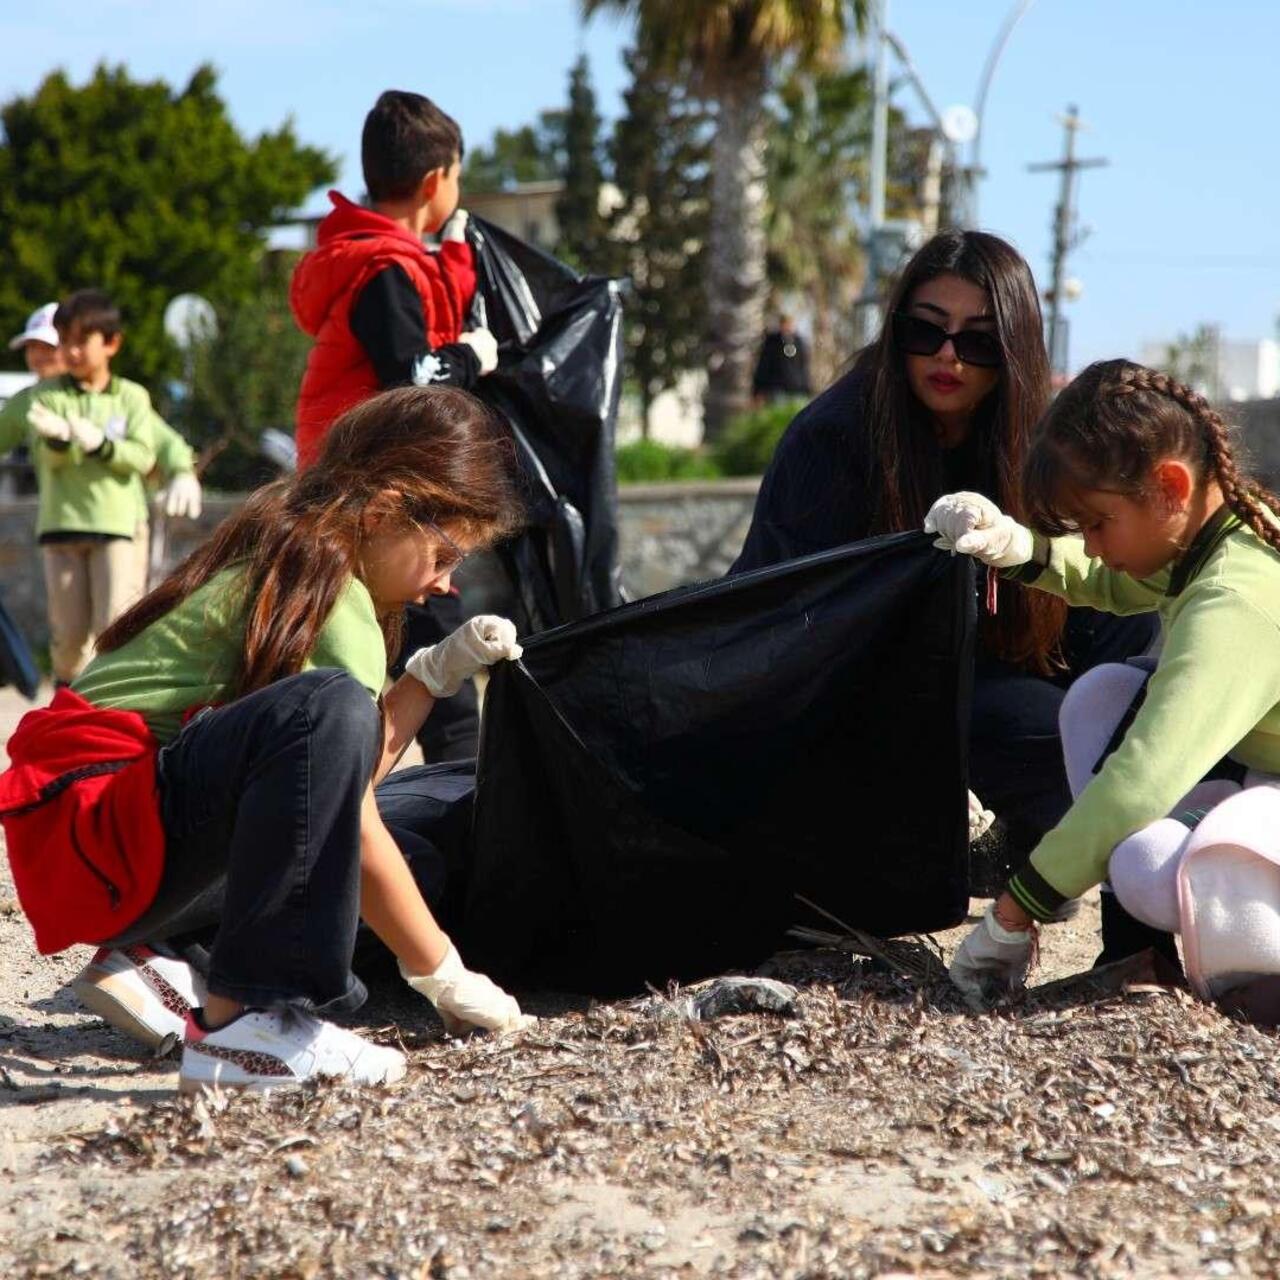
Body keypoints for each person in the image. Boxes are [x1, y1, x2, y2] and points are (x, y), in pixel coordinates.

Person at [0, 385, 534, 1090]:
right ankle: (249, 1019)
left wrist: (429, 679)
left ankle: (167, 957)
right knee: (341, 735)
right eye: (443, 555)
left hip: (92, 837)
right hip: (99, 828)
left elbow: (331, 787)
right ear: (386, 508)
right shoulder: (330, 585)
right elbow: (342, 786)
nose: (443, 584)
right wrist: (443, 972)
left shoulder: (295, 553)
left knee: (413, 858)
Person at [732, 230, 1156, 893]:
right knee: (1049, 736)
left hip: (984, 680)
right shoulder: (833, 439)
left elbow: (1096, 580)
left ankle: (1033, 848)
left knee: (1115, 683)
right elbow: (799, 632)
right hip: (857, 695)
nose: (948, 356)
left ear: (1013, 351)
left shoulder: (1037, 441)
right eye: (925, 331)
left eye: (979, 340)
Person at [937, 361, 1280, 1007]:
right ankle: (1136, 958)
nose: (1091, 546)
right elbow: (1112, 582)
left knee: (1152, 864)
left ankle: (1252, 987)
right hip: (1262, 773)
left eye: (1097, 522)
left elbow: (1140, 784)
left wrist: (1017, 909)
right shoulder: (1211, 538)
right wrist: (1012, 545)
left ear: (1170, 487)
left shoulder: (1237, 597)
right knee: (1102, 696)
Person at [291, 87, 501, 762]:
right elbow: (414, 379)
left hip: (358, 500)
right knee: (444, 686)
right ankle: (463, 811)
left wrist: (459, 260)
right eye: (458, 179)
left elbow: (421, 326)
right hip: (371, 509)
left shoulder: (377, 260)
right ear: (438, 179)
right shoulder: (383, 271)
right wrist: (473, 356)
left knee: (388, 670)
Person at [0, 289, 164, 683]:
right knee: (69, 638)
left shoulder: (131, 397)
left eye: (80, 342)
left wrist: (100, 444)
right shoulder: (43, 396)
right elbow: (34, 450)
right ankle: (67, 714)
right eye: (65, 342)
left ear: (111, 343)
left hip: (117, 528)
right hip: (61, 528)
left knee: (115, 627)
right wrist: (60, 441)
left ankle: (114, 717)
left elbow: (143, 456)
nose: (71, 352)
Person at [752, 313, 811, 403]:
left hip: (797, 389)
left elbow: (803, 366)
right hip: (777, 388)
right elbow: (764, 365)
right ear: (781, 324)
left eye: (790, 324)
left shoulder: (799, 342)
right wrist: (758, 389)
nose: (788, 327)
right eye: (785, 324)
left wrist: (806, 387)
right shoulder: (772, 342)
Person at [8, 303, 65, 379]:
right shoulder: (26, 391)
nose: (38, 354)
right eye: (32, 345)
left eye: (49, 346)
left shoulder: (84, 390)